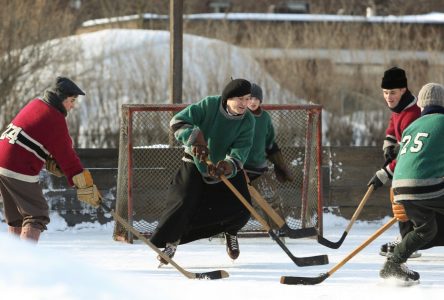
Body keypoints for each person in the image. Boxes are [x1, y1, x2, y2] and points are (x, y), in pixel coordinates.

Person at [150, 78, 255, 265]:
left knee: (243, 206)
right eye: (239, 98)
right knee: (183, 202)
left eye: (247, 99)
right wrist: (195, 137)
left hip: (223, 166)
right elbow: (177, 121)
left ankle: (231, 231)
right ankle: (172, 240)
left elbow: (241, 150)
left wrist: (229, 165)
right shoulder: (209, 104)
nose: (244, 103)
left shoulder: (248, 121)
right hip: (197, 160)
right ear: (227, 98)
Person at [0, 76, 102, 243]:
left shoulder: (36, 104)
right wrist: (85, 185)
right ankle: (25, 261)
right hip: (17, 165)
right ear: (60, 98)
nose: (72, 105)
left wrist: (48, 159)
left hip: (2, 159)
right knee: (36, 214)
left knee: (18, 216)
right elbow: (68, 158)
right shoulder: (55, 118)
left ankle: (14, 262)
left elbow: (32, 137)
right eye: (71, 100)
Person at [379, 82, 444, 283]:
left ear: (422, 107)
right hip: (429, 187)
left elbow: (402, 155)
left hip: (400, 188)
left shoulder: (412, 126)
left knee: (426, 229)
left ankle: (394, 264)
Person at [366, 67, 421, 257]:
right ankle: (406, 235)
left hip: (417, 165)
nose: (389, 97)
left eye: (393, 92)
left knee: (401, 192)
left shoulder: (413, 114)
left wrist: (383, 174)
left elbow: (407, 155)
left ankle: (409, 241)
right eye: (385, 92)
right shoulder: (399, 107)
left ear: (403, 90)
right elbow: (392, 124)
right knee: (396, 193)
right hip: (407, 163)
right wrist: (388, 146)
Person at [244, 83, 294, 230]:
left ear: (260, 101)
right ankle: (226, 231)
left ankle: (280, 229)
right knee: (233, 200)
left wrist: (280, 163)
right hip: (239, 169)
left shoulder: (265, 118)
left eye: (256, 99)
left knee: (271, 199)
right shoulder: (238, 117)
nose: (253, 102)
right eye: (250, 98)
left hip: (259, 168)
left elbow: (269, 143)